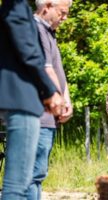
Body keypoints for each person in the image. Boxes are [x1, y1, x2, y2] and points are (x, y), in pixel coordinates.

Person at [0, 0, 64, 199]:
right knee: (17, 185)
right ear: (48, 6)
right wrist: (50, 91)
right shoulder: (16, 8)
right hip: (21, 99)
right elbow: (30, 54)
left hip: (16, 99)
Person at [26, 0, 73, 199]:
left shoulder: (49, 33)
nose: (65, 18)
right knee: (28, 176)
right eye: (62, 12)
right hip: (36, 115)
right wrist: (60, 101)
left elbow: (58, 71)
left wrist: (67, 100)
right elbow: (47, 69)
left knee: (37, 175)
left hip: (48, 118)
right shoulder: (36, 29)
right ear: (47, 6)